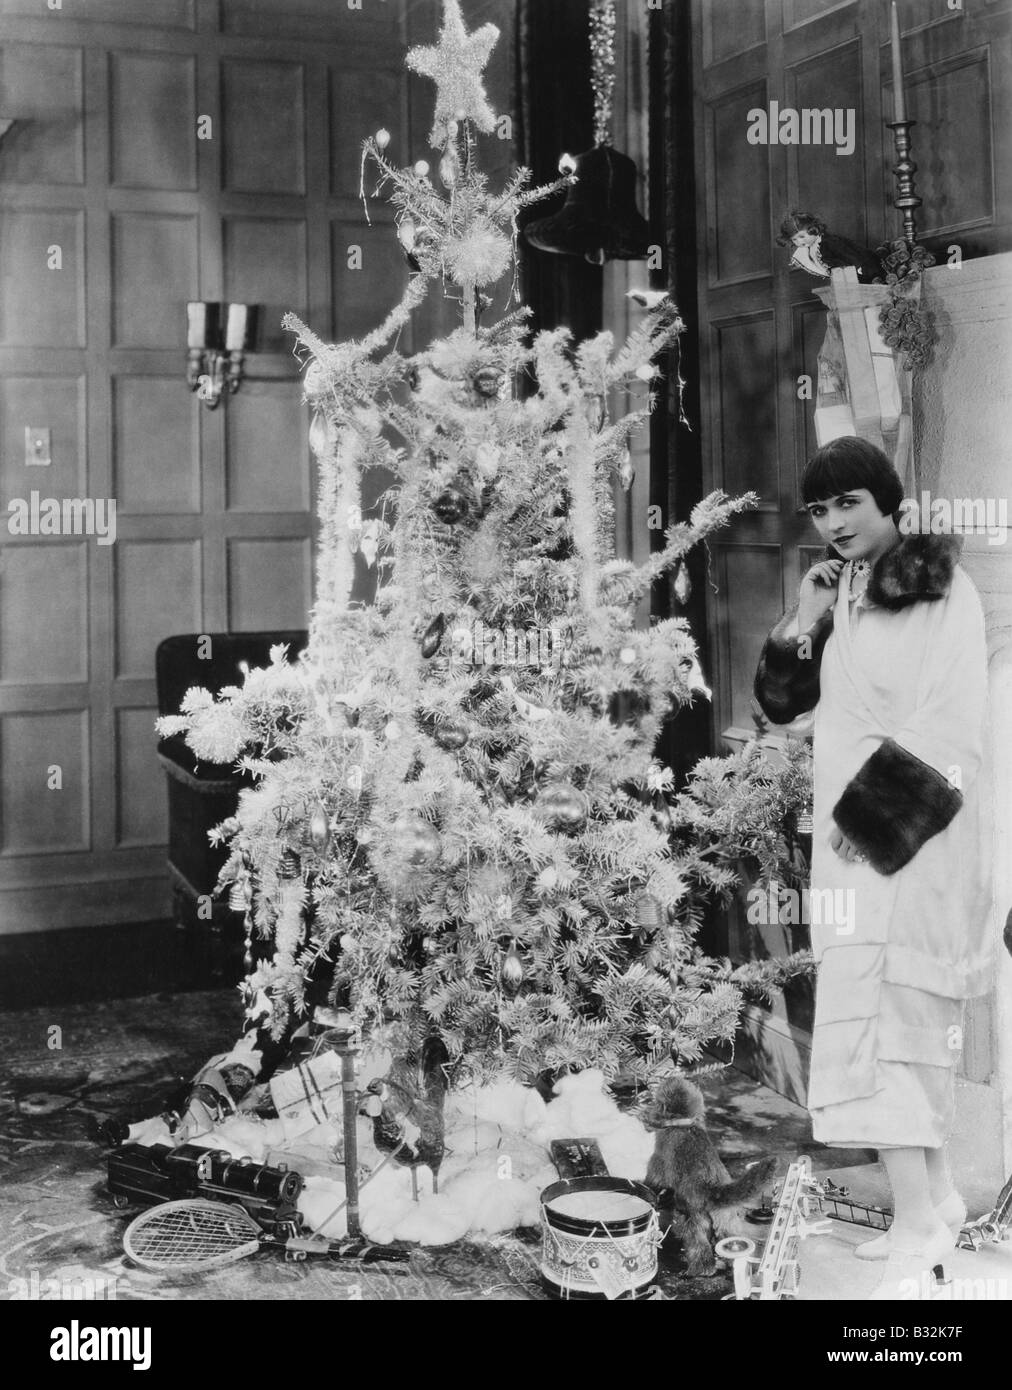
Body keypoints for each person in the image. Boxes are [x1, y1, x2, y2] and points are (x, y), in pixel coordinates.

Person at [754, 437, 992, 1300]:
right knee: (867, 1018)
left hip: (910, 843)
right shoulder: (844, 590)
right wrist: (799, 622)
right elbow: (786, 707)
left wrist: (870, 820)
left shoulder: (944, 591)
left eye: (848, 503)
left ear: (887, 502)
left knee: (898, 1025)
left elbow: (953, 726)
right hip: (855, 854)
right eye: (819, 511)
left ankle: (922, 1222)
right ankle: (931, 1203)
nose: (833, 523)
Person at [777, 211, 882, 284]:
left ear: (813, 229)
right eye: (795, 239)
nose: (800, 242)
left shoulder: (828, 242)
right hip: (843, 277)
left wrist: (860, 267)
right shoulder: (810, 249)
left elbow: (847, 253)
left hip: (862, 272)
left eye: (802, 236)